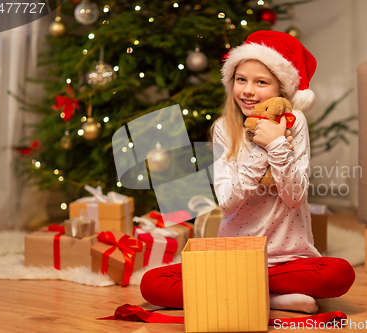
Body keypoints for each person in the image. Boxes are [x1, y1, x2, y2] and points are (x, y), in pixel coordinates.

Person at [140, 30, 355, 314]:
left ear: (280, 89)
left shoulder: (295, 122)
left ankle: (245, 292)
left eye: (261, 82)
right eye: (241, 79)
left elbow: (295, 197)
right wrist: (260, 149)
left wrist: (278, 143)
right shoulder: (223, 129)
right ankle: (274, 299)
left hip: (289, 258)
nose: (248, 90)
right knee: (153, 283)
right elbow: (228, 202)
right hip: (235, 255)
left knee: (338, 273)